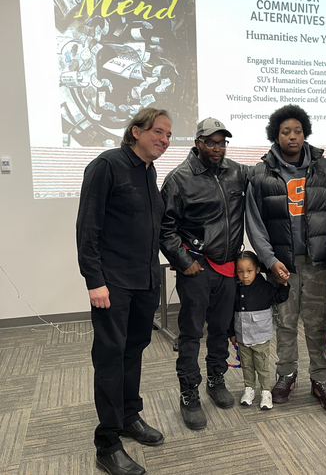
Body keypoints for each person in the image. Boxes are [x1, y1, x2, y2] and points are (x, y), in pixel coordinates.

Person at [76, 108, 171, 475]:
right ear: (136, 131)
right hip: (112, 284)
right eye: (158, 132)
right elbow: (88, 228)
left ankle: (129, 416)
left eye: (167, 134)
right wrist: (94, 280)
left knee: (134, 351)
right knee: (111, 359)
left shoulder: (149, 172)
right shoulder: (107, 165)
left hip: (145, 281)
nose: (164, 139)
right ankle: (107, 443)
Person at [246, 104, 326, 412]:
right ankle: (286, 374)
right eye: (285, 132)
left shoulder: (323, 167)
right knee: (286, 323)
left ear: (306, 133)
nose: (293, 137)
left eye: (298, 131)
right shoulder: (261, 173)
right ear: (275, 136)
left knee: (317, 323)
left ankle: (321, 378)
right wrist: (268, 259)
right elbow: (254, 222)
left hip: (316, 263)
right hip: (282, 265)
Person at [160, 117, 248, 430]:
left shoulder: (237, 172)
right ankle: (189, 392)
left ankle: (216, 379)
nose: (217, 147)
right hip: (196, 269)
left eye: (222, 142)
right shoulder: (179, 179)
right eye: (211, 141)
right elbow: (165, 227)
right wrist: (183, 261)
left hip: (227, 267)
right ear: (197, 142)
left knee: (222, 329)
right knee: (192, 333)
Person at [229, 251, 290, 410]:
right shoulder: (235, 289)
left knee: (262, 367)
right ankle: (249, 389)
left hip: (261, 338)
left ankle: (265, 391)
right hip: (242, 337)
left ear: (257, 269)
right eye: (240, 272)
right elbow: (231, 313)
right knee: (247, 366)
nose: (245, 276)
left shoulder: (264, 287)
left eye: (249, 271)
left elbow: (280, 297)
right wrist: (232, 333)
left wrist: (284, 284)